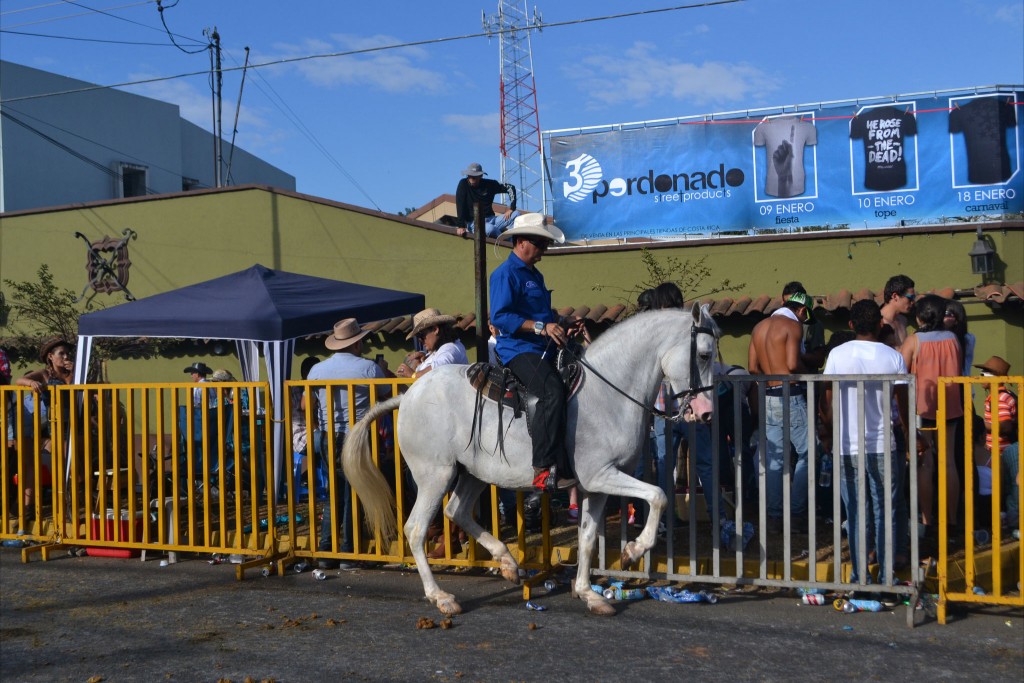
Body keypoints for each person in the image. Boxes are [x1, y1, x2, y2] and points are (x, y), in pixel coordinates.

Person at [489, 213, 578, 492]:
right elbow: (501, 316)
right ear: (521, 242)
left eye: (545, 245)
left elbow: (540, 315)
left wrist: (560, 323)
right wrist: (542, 326)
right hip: (518, 350)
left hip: (543, 346)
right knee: (552, 390)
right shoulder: (504, 275)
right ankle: (541, 468)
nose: (544, 250)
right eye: (540, 244)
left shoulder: (535, 275)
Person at [823, 299, 909, 585]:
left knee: (857, 512)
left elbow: (827, 394)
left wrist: (829, 429)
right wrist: (910, 433)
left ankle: (860, 575)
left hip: (848, 444)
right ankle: (886, 575)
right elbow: (903, 400)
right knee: (886, 509)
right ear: (879, 324)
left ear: (850, 325)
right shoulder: (893, 356)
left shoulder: (837, 353)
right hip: (883, 443)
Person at [307, 319, 390, 569]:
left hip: (327, 436)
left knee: (333, 494)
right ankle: (349, 552)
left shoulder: (317, 371)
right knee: (355, 492)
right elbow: (387, 393)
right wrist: (383, 370)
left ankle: (325, 551)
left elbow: (306, 403)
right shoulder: (368, 368)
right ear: (357, 343)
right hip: (357, 436)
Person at [747, 291, 814, 532]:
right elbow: (793, 364)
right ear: (802, 310)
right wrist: (813, 370)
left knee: (775, 459)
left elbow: (752, 368)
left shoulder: (759, 327)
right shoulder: (793, 326)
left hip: (769, 396)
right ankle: (796, 514)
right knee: (810, 453)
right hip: (792, 394)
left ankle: (774, 517)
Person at [901, 294, 963, 547]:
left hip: (923, 407)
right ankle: (950, 522)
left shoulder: (914, 340)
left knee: (925, 464)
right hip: (950, 405)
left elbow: (899, 369)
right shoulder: (953, 339)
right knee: (948, 463)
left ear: (919, 316)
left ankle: (927, 521)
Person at [13, 338, 75, 514]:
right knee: (61, 462)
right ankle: (56, 505)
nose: (65, 357)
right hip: (53, 425)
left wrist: (72, 373)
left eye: (67, 353)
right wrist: (32, 383)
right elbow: (20, 380)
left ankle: (71, 502)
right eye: (61, 353)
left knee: (73, 464)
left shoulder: (71, 374)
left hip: (73, 422)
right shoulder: (45, 374)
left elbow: (76, 391)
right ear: (51, 356)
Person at [974, 356, 1019, 531]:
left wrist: (979, 425)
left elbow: (1006, 426)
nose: (981, 376)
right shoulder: (996, 397)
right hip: (996, 452)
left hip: (1002, 452)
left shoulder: (1000, 398)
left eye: (985, 373)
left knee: (1004, 488)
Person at [395, 308, 468, 379]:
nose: (420, 340)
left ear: (435, 329)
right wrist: (424, 356)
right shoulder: (440, 350)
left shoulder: (450, 348)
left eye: (421, 335)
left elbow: (438, 368)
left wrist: (413, 375)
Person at [454, 162, 520, 238]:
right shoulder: (463, 184)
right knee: (490, 229)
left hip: (493, 219)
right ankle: (505, 242)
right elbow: (460, 205)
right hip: (474, 223)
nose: (472, 178)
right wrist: (461, 225)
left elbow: (510, 187)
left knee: (516, 214)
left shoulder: (489, 184)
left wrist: (512, 208)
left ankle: (513, 239)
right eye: (470, 175)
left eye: (475, 176)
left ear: (481, 176)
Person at [782, 281, 826, 371]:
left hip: (805, 382)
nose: (789, 308)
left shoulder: (813, 325)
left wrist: (795, 355)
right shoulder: (775, 323)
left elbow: (819, 359)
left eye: (793, 305)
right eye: (787, 304)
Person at [879, 274, 916, 349]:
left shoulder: (903, 320)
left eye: (914, 298)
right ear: (895, 296)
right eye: (910, 298)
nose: (913, 302)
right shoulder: (878, 323)